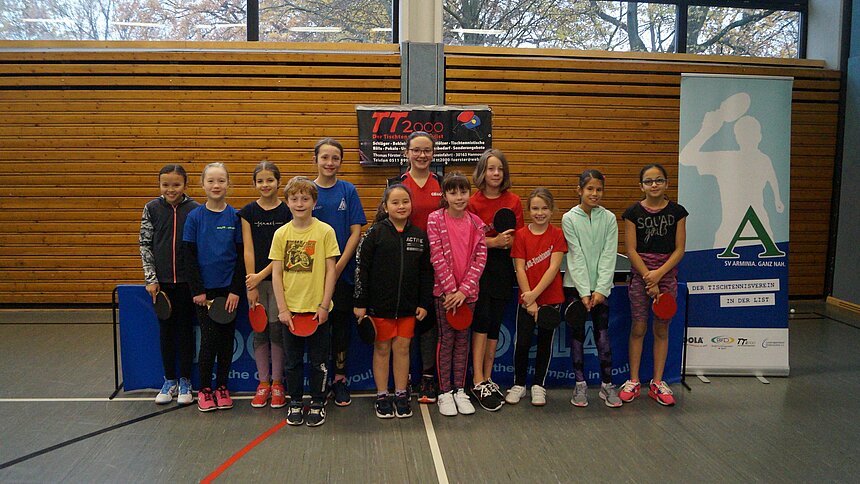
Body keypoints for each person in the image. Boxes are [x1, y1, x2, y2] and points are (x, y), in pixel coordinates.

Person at [354, 185, 433, 419]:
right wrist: (360, 301)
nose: (401, 206)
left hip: (408, 308)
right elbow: (361, 269)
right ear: (385, 206)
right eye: (395, 202)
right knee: (381, 350)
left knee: (402, 349)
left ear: (411, 205)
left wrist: (424, 302)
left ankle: (400, 393)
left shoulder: (419, 236)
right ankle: (382, 395)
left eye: (405, 202)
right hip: (380, 307)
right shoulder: (374, 233)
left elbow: (426, 273)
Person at [270, 176, 340, 427]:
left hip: (317, 311)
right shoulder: (281, 234)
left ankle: (318, 402)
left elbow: (331, 271)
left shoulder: (325, 231)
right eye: (294, 199)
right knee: (292, 362)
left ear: (313, 202)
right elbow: (276, 274)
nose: (300, 203)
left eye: (305, 198)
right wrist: (282, 309)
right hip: (290, 312)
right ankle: (296, 401)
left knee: (319, 361)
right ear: (287, 202)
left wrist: (324, 305)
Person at [620, 164, 687, 406]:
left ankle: (657, 382)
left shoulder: (678, 212)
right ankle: (634, 380)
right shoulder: (632, 213)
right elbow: (630, 250)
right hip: (640, 276)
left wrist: (658, 275)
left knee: (661, 329)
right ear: (641, 186)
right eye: (648, 181)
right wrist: (648, 276)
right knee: (638, 328)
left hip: (666, 276)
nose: (654, 184)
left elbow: (679, 249)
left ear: (667, 183)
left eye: (659, 180)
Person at [183, 163, 244, 412]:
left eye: (221, 181)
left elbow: (241, 257)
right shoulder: (194, 217)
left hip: (228, 292)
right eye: (211, 181)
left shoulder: (235, 217)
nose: (216, 185)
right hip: (205, 293)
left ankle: (222, 386)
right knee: (209, 340)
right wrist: (197, 290)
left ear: (228, 184)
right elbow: (188, 256)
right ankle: (205, 389)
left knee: (227, 341)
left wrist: (235, 290)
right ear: (203, 185)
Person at [387, 131, 443, 404]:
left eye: (427, 150)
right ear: (407, 152)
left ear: (433, 153)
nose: (422, 155)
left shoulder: (441, 183)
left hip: (436, 263)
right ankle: (405, 378)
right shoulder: (397, 184)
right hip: (404, 263)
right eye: (416, 150)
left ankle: (428, 377)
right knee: (405, 322)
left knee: (428, 321)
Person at [310, 138, 367, 407]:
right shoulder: (307, 191)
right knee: (319, 330)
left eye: (335, 158)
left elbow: (356, 231)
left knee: (342, 330)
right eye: (325, 157)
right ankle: (320, 382)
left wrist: (340, 265)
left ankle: (340, 380)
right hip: (314, 278)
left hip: (343, 273)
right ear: (315, 160)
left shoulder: (348, 190)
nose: (330, 162)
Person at [467, 148, 524, 411]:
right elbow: (467, 239)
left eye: (500, 169)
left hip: (503, 268)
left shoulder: (514, 201)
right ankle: (476, 379)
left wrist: (509, 242)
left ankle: (488, 378)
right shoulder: (473, 202)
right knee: (481, 320)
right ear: (483, 172)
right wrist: (493, 242)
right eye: (491, 168)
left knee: (494, 324)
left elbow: (519, 237)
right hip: (480, 268)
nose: (496, 173)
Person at [426, 172, 487, 416]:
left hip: (468, 296)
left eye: (463, 192)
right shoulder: (434, 219)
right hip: (444, 296)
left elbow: (480, 259)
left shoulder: (477, 223)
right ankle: (445, 392)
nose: (459, 197)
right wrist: (451, 291)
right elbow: (436, 256)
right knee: (446, 340)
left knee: (463, 342)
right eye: (453, 192)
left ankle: (460, 390)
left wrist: (463, 291)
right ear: (445, 195)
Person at [139, 164, 199, 405]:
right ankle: (169, 380)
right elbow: (145, 245)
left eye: (176, 185)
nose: (170, 189)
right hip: (162, 284)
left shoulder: (195, 210)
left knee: (185, 331)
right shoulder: (151, 208)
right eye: (165, 185)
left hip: (186, 283)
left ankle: (185, 381)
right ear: (159, 185)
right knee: (166, 332)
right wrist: (151, 278)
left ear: (185, 185)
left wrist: (197, 282)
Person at [561, 170, 621, 408]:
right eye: (590, 189)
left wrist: (600, 290)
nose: (594, 193)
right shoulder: (569, 218)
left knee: (603, 338)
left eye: (599, 189)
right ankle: (580, 385)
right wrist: (584, 292)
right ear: (579, 190)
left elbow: (609, 255)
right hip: (575, 289)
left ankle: (607, 385)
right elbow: (575, 256)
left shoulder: (609, 219)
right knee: (576, 338)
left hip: (601, 290)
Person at [507, 188, 567, 406]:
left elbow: (554, 268)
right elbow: (520, 268)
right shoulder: (521, 235)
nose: (540, 213)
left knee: (544, 343)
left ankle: (539, 385)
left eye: (544, 208)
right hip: (527, 299)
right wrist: (529, 300)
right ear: (528, 210)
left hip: (550, 298)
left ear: (551, 210)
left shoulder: (557, 234)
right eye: (535, 208)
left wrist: (534, 296)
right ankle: (519, 384)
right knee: (522, 343)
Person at [239, 161, 290, 409]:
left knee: (277, 331)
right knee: (259, 332)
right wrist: (252, 283)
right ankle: (263, 383)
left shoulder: (288, 211)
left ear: (278, 182)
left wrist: (261, 276)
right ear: (254, 184)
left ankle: (278, 383)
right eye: (260, 181)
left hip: (281, 281)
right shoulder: (248, 212)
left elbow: (284, 251)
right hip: (256, 283)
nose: (265, 185)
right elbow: (248, 249)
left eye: (270, 180)